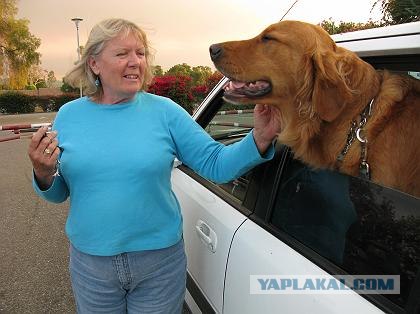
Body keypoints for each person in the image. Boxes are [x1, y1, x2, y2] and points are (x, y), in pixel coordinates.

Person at [28, 18, 279, 313]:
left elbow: (215, 163)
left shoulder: (166, 111)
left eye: (141, 53)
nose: (135, 62)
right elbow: (60, 192)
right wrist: (43, 173)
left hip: (158, 265)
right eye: (122, 54)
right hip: (92, 267)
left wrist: (259, 137)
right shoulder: (70, 115)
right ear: (94, 64)